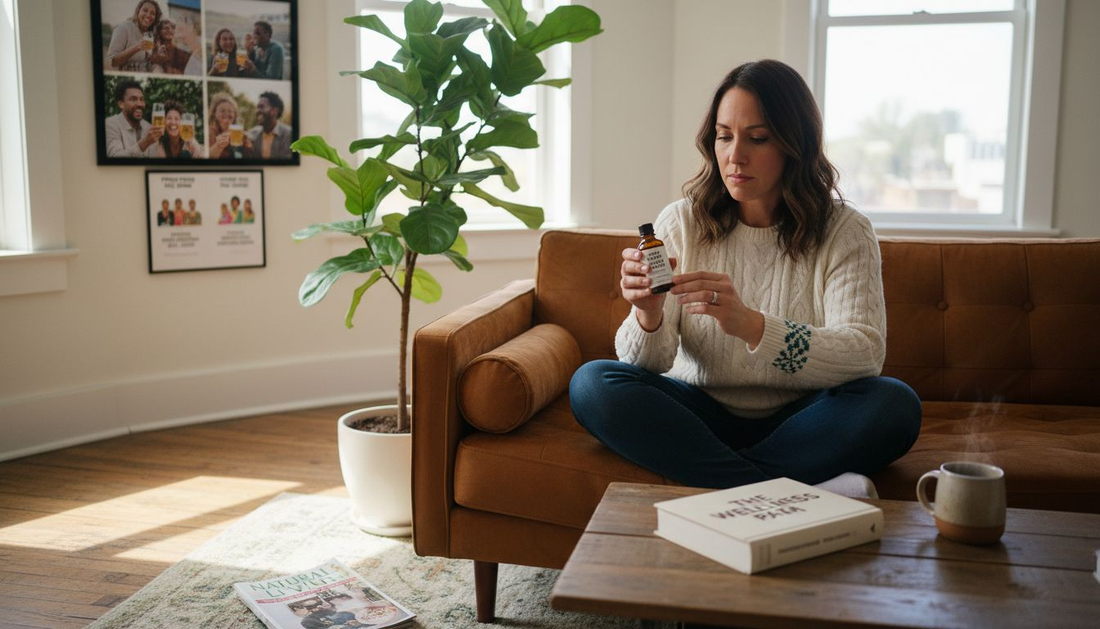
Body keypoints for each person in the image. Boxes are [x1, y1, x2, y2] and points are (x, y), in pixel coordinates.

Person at [569, 59, 922, 491]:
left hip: (803, 416)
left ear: (795, 144)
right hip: (698, 413)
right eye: (723, 136)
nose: (735, 156)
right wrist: (648, 314)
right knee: (592, 384)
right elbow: (648, 364)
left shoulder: (845, 230)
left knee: (894, 405)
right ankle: (769, 490)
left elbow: (864, 353)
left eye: (757, 138)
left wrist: (753, 326)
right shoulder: (682, 222)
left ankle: (722, 487)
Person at [104, 80, 163, 157]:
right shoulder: (110, 124)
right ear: (121, 104)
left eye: (142, 99)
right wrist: (145, 143)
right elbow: (115, 157)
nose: (139, 104)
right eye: (133, 99)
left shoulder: (148, 127)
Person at [106, 0, 162, 72]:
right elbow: (112, 62)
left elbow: (147, 61)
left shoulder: (149, 33)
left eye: (153, 13)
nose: (148, 15)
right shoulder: (123, 27)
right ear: (138, 11)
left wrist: (157, 55)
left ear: (155, 18)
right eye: (145, 10)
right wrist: (137, 47)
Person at [207, 92, 255, 159]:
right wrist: (218, 146)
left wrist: (248, 147)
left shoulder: (241, 135)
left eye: (230, 111)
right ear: (214, 114)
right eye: (222, 110)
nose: (226, 113)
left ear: (235, 115)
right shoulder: (209, 133)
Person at [247, 92, 293, 159]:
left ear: (275, 111)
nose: (257, 111)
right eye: (257, 107)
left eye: (262, 107)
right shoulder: (253, 133)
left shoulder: (288, 134)